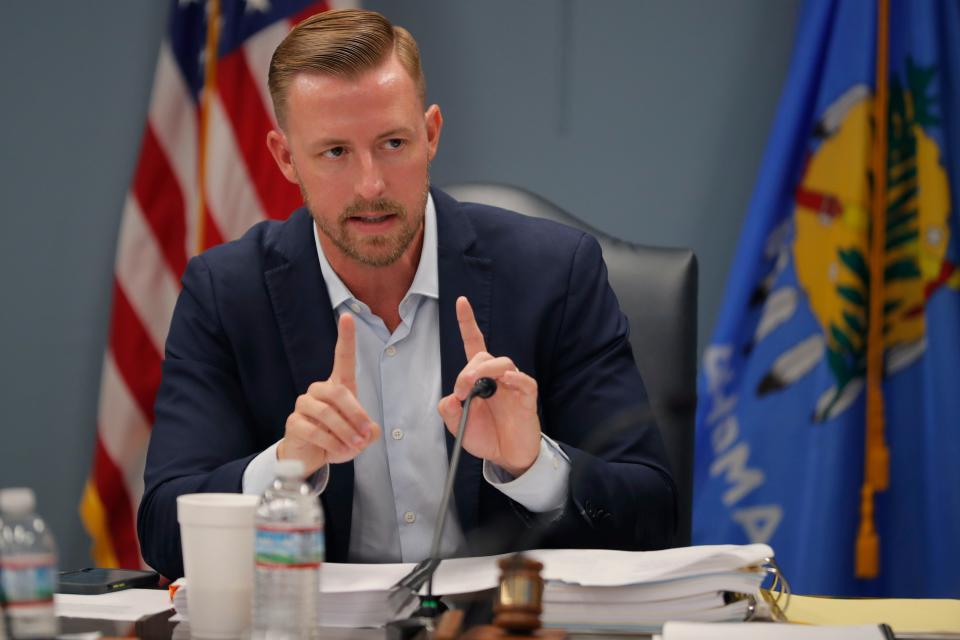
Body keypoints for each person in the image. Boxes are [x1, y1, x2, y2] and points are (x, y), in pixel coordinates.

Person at [137, 9, 676, 580]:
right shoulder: (226, 293)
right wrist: (285, 467)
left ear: (432, 133)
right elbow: (163, 532)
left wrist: (531, 463)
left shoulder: (554, 273)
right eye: (335, 152)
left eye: (393, 142)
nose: (370, 185)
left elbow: (654, 515)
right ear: (285, 158)